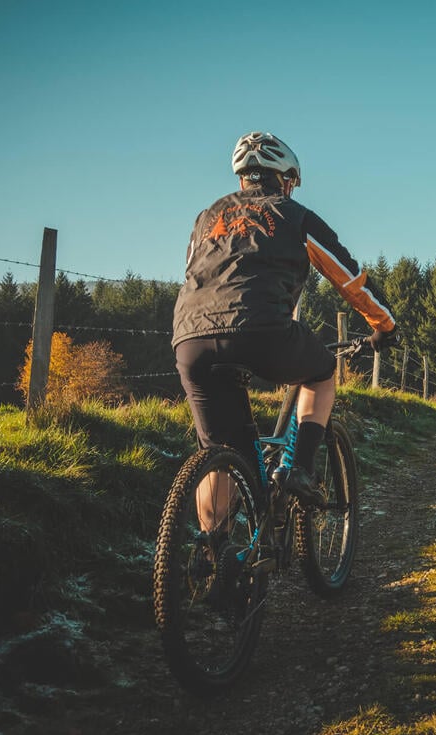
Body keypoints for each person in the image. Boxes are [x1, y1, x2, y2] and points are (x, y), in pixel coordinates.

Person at [173, 132, 396, 534]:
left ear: (243, 178)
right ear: (284, 179)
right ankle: (300, 470)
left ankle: (213, 563)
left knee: (222, 453)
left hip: (191, 339)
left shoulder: (205, 219)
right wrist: (384, 325)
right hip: (262, 330)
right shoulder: (293, 215)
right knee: (321, 372)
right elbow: (349, 278)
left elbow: (192, 272)